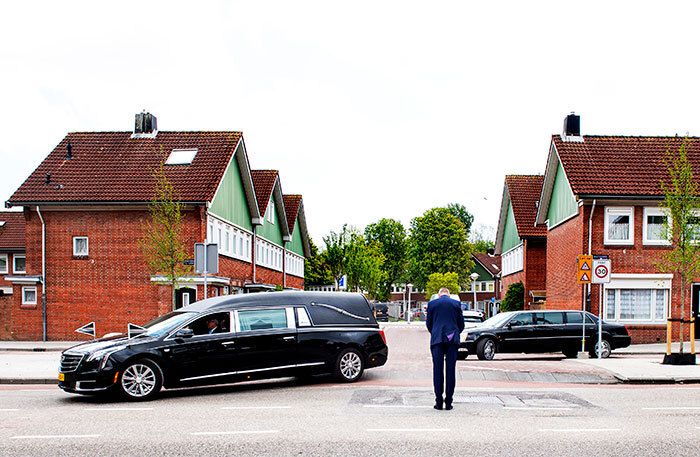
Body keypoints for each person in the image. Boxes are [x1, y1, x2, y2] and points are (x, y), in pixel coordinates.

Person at [426, 287, 464, 410]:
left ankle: (438, 401)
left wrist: (435, 332)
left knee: (437, 370)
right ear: (448, 294)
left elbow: (429, 324)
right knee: (450, 370)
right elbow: (461, 324)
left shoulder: (432, 304)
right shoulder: (456, 304)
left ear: (439, 294)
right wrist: (454, 333)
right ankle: (449, 402)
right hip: (451, 339)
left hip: (437, 339)